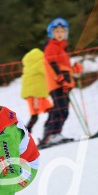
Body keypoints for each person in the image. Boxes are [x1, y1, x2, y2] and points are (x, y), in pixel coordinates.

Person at [40, 17, 80, 146]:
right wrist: (60, 77)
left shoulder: (62, 48)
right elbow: (52, 64)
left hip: (63, 84)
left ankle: (53, 133)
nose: (60, 34)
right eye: (56, 31)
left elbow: (64, 67)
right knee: (61, 110)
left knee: (62, 110)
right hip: (56, 84)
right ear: (51, 33)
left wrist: (74, 70)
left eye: (62, 31)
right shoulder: (52, 46)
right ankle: (53, 134)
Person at [20, 47, 52, 133]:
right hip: (36, 94)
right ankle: (48, 130)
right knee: (50, 111)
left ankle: (26, 132)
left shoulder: (28, 65)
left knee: (37, 115)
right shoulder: (40, 63)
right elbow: (49, 72)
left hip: (33, 94)